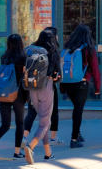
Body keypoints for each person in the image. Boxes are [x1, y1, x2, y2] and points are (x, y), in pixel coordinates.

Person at [0, 34, 27, 161]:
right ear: (20, 44)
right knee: (20, 123)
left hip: (3, 93)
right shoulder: (23, 57)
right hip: (17, 94)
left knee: (5, 124)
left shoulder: (4, 57)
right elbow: (24, 77)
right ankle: (17, 152)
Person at [22, 28, 61, 164]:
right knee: (45, 122)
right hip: (46, 87)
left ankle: (48, 153)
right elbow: (58, 75)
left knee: (43, 122)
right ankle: (30, 146)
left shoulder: (31, 49)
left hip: (32, 88)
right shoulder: (53, 51)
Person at [60, 24, 101, 148]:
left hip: (67, 83)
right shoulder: (88, 49)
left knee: (76, 108)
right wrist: (98, 88)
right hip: (81, 83)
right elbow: (95, 69)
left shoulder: (68, 47)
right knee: (78, 110)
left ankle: (77, 133)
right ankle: (73, 139)